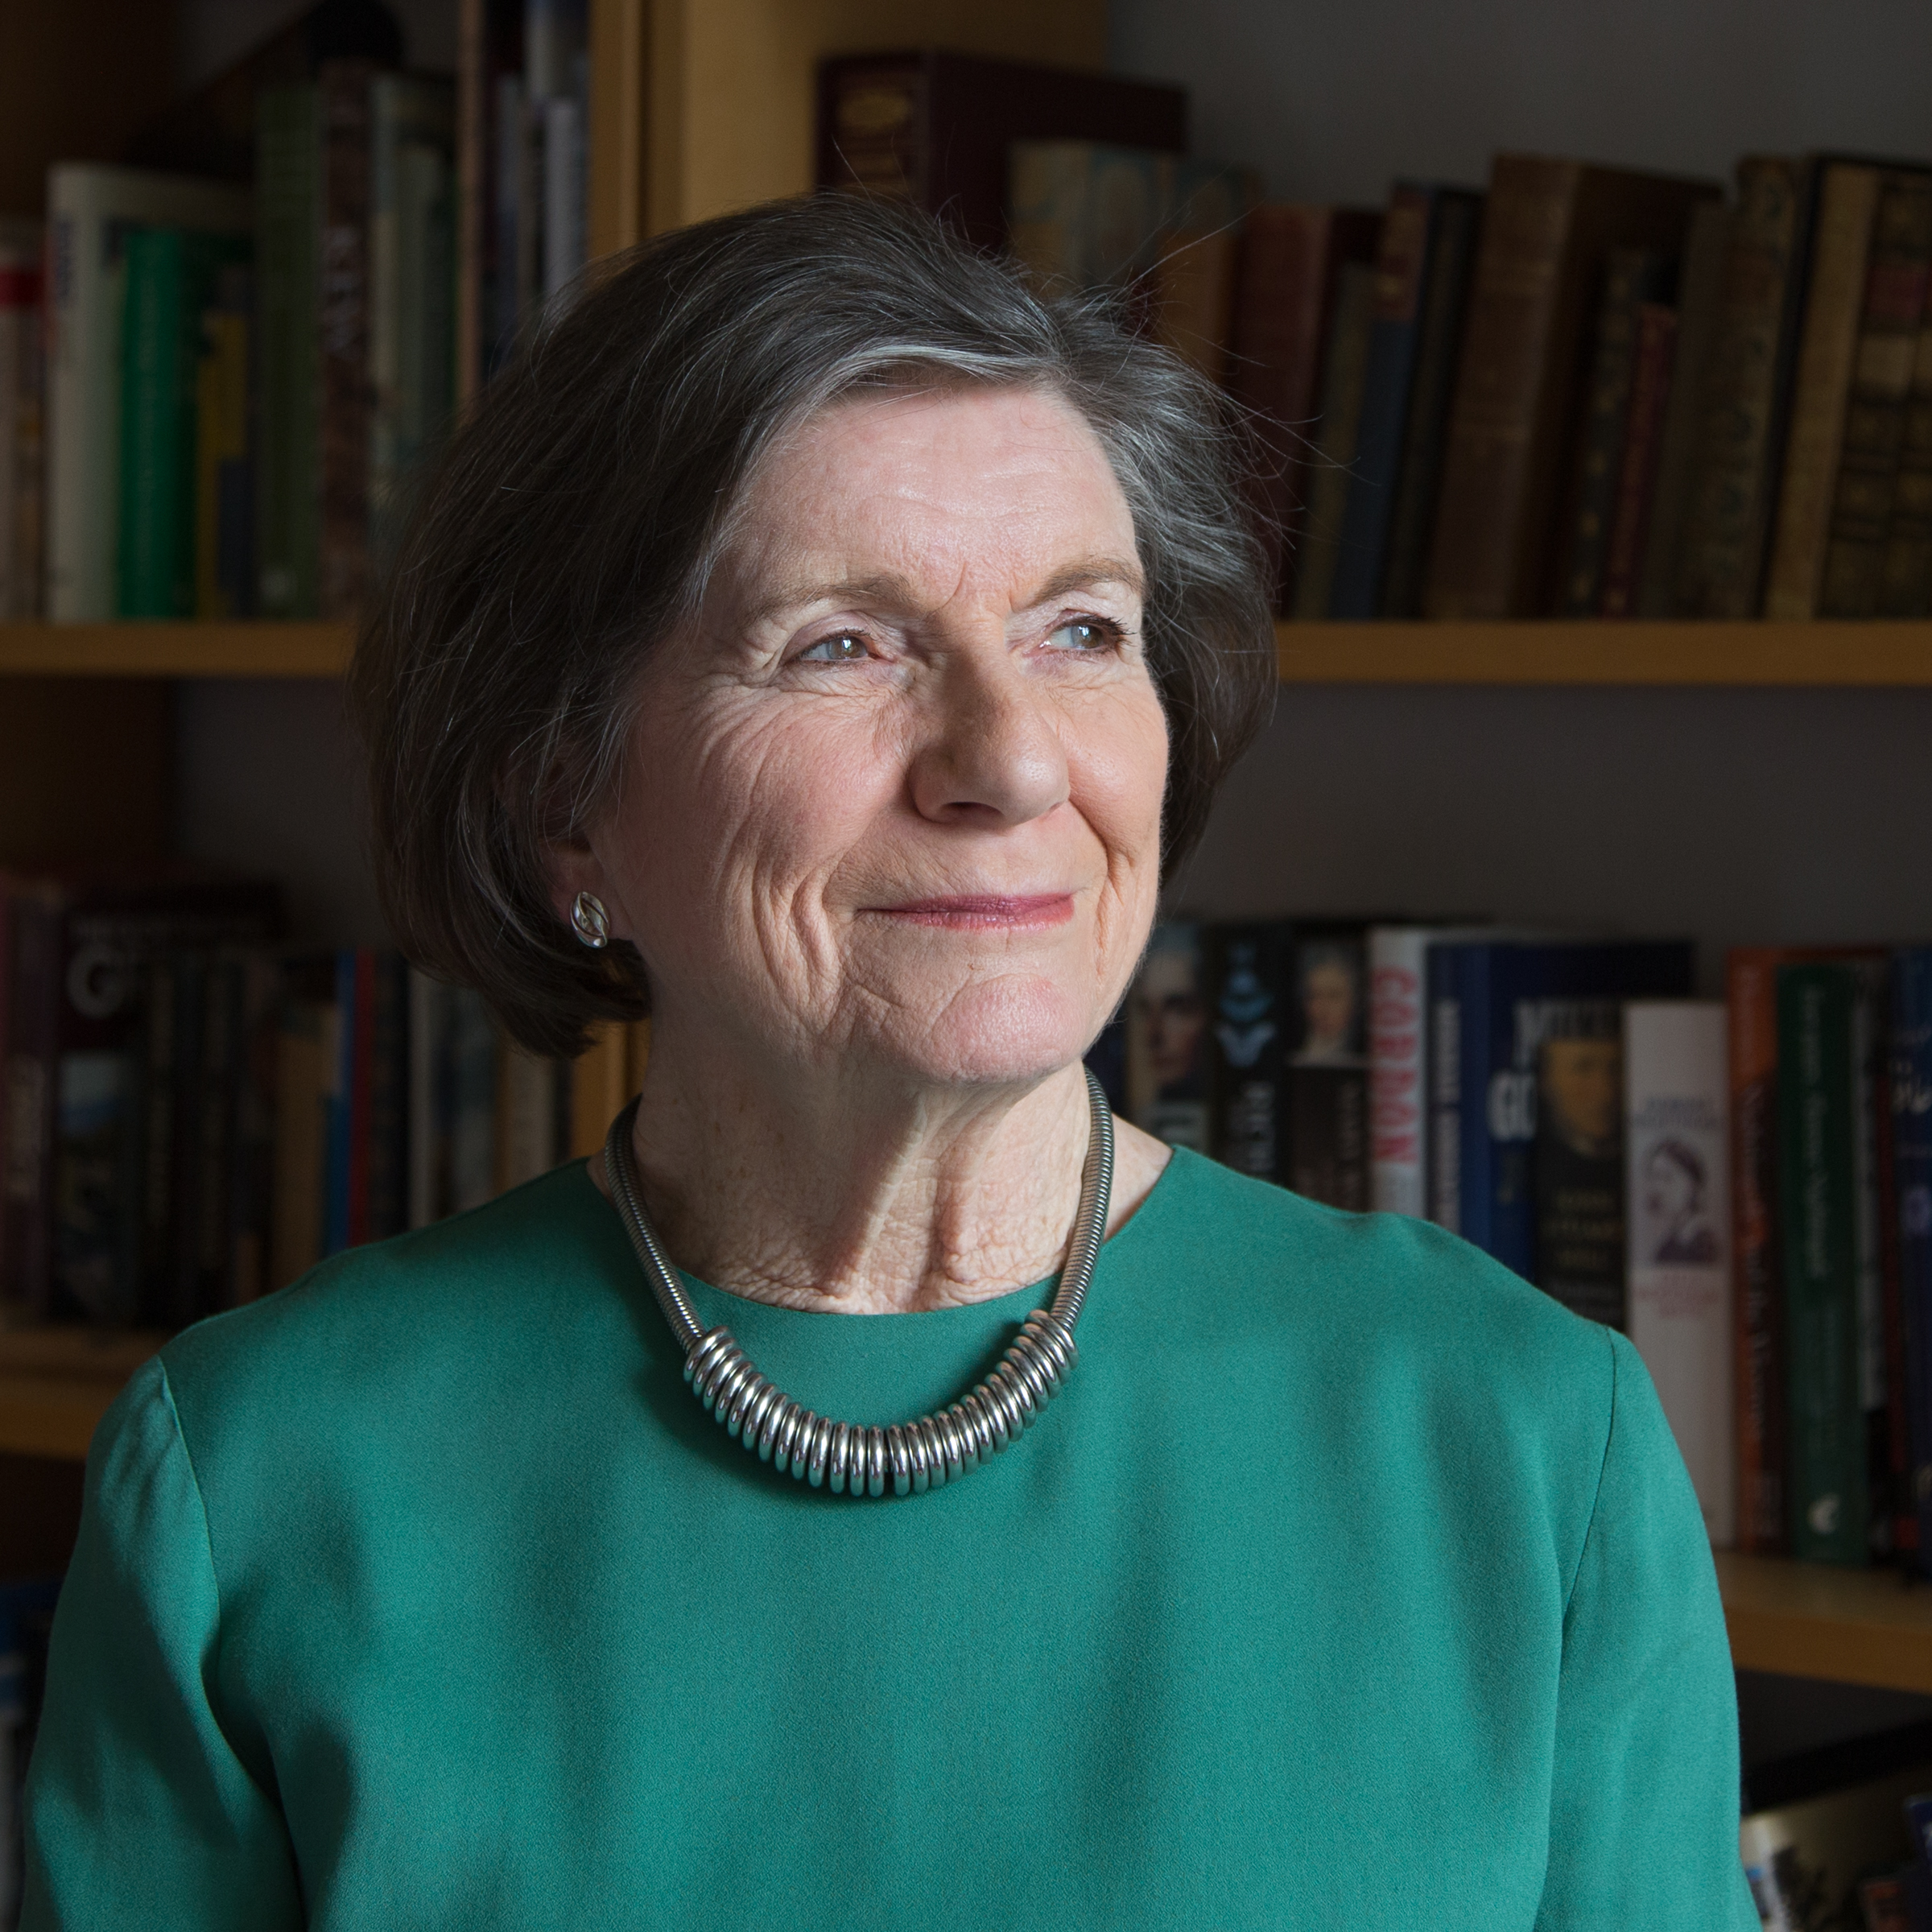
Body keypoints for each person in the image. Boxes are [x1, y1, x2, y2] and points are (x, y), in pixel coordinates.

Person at [22, 195, 1754, 1930]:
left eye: (1081, 630)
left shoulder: (1527, 1449)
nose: (1006, 764)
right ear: (561, 795)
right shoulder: (253, 1487)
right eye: (842, 645)